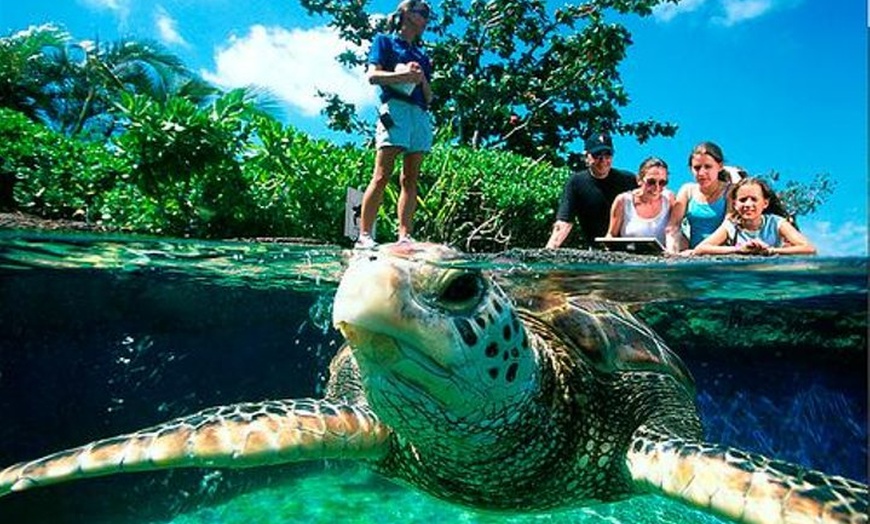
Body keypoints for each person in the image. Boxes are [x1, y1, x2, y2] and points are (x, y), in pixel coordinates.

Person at [355, 0, 434, 249]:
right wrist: (403, 76)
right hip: (395, 108)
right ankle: (365, 235)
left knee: (410, 178)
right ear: (407, 13)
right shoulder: (384, 41)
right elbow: (372, 76)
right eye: (422, 12)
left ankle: (404, 236)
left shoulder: (422, 56)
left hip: (419, 114)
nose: (426, 18)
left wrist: (420, 78)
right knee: (381, 175)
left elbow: (429, 97)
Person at [545, 133, 636, 249]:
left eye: (607, 155)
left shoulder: (628, 180)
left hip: (631, 248)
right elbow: (564, 221)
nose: (603, 160)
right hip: (597, 250)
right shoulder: (576, 183)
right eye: (597, 155)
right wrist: (550, 249)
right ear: (586, 157)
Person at [694, 177, 816, 255]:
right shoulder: (731, 225)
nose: (748, 204)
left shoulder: (776, 222)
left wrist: (771, 251)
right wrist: (739, 250)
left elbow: (809, 248)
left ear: (765, 203)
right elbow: (701, 248)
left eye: (754, 199)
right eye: (742, 200)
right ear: (735, 204)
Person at [665, 142, 732, 254]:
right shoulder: (687, 190)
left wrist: (699, 250)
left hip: (721, 254)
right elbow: (673, 226)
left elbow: (727, 227)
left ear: (720, 166)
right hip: (692, 256)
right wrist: (672, 252)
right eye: (697, 168)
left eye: (708, 167)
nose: (701, 172)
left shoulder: (730, 191)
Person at [605, 156, 674, 246]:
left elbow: (676, 230)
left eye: (662, 183)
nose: (657, 188)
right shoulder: (623, 201)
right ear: (639, 180)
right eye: (651, 182)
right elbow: (611, 235)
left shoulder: (669, 199)